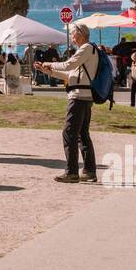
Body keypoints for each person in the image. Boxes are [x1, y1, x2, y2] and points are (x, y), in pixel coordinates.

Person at [36, 23, 99, 183]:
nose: (71, 37)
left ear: (81, 34)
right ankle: (89, 171)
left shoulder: (86, 48)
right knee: (82, 134)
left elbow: (68, 65)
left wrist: (49, 63)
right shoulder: (87, 51)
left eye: (72, 34)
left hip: (78, 97)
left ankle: (72, 172)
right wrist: (48, 71)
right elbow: (70, 75)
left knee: (69, 133)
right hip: (85, 95)